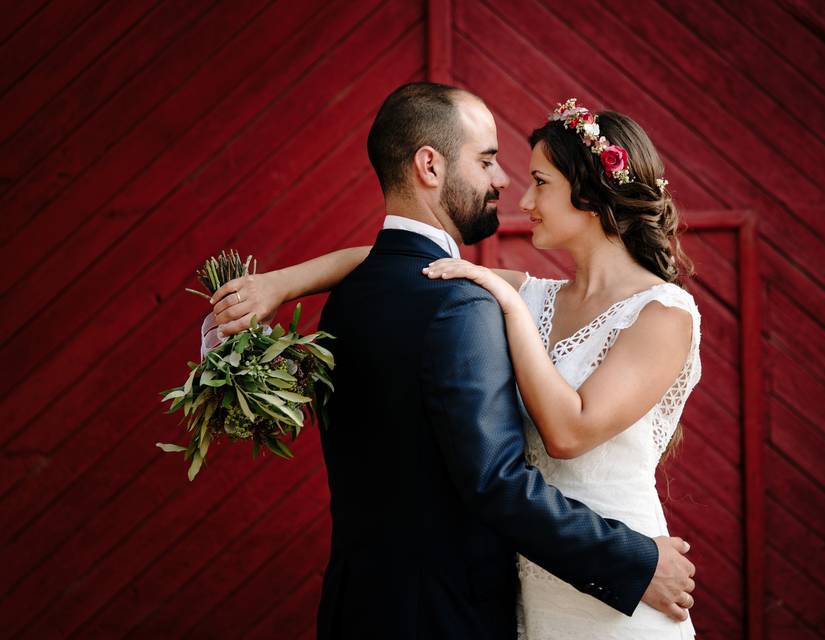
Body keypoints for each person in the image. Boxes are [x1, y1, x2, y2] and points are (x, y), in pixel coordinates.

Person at [203, 84, 696, 639]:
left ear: (592, 193)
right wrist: (281, 283)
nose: (515, 191)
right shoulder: (478, 299)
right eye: (489, 161)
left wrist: (286, 282)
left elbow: (396, 258)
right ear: (429, 166)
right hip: (506, 595)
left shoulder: (359, 296)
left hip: (579, 591)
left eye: (538, 182)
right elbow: (496, 481)